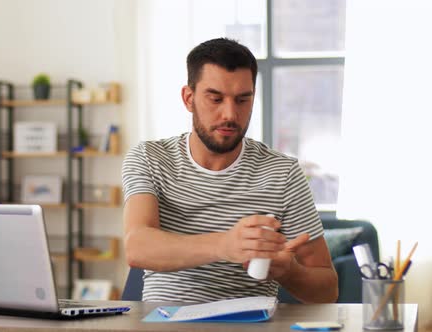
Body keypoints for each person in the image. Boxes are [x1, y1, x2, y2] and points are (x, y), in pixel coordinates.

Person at [121, 38, 338, 303]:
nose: (230, 114)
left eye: (242, 100)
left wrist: (289, 272)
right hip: (165, 322)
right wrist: (225, 245)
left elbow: (327, 291)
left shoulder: (283, 173)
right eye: (216, 98)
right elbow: (137, 247)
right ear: (188, 99)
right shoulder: (150, 158)